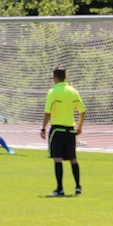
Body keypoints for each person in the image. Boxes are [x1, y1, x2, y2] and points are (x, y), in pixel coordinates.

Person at [41, 66, 87, 196]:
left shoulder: (53, 92)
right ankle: (78, 187)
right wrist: (79, 126)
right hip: (70, 130)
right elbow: (82, 110)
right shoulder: (73, 91)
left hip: (57, 129)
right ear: (65, 77)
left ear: (54, 78)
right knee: (73, 158)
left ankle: (60, 188)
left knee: (57, 159)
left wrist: (43, 128)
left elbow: (48, 112)